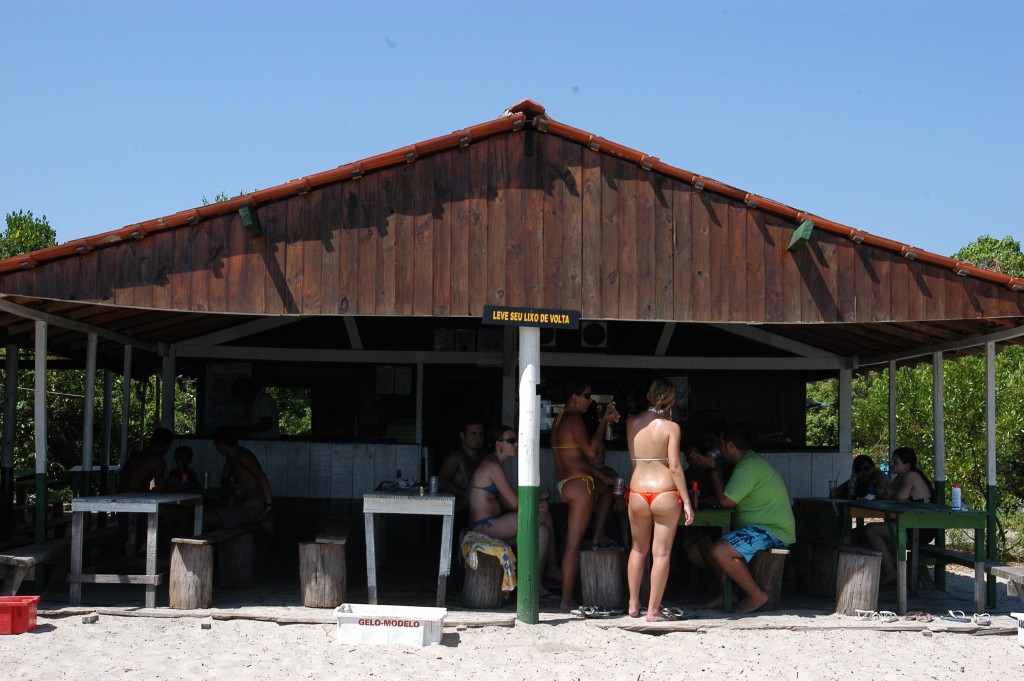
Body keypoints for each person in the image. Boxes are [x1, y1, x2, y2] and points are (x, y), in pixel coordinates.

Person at [690, 422, 796, 614]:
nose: (719, 450)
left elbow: (725, 502)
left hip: (772, 530)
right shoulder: (746, 464)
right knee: (701, 547)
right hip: (758, 528)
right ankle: (728, 593)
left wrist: (713, 469)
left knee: (720, 550)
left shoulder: (747, 467)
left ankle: (757, 595)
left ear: (731, 446)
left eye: (721, 446)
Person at [624, 378, 694, 621]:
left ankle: (633, 605)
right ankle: (653, 611)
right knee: (661, 553)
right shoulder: (671, 428)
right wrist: (686, 500)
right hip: (663, 491)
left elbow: (634, 461)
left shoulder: (632, 422)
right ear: (673, 400)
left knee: (637, 549)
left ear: (648, 395)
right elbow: (674, 467)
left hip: (637, 490)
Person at [466, 425, 561, 599]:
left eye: (516, 440)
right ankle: (550, 571)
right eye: (511, 441)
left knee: (542, 531)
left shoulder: (494, 464)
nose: (516, 444)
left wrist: (538, 500)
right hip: (482, 528)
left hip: (493, 524)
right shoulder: (492, 466)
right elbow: (516, 503)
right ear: (498, 445)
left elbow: (508, 503)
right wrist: (537, 500)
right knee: (544, 514)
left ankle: (536, 583)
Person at [550, 380, 620, 610]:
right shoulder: (574, 420)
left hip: (565, 484)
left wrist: (602, 477)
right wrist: (604, 422)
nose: (590, 401)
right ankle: (566, 599)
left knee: (608, 487)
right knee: (573, 544)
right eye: (587, 396)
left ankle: (599, 534)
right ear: (574, 398)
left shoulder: (558, 421)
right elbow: (590, 450)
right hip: (580, 487)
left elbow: (577, 459)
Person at [864, 446, 935, 585]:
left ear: (906, 465)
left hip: (918, 528)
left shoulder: (911, 475)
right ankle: (903, 569)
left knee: (870, 530)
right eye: (892, 461)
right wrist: (885, 492)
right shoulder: (900, 477)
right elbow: (888, 493)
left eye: (895, 462)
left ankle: (892, 572)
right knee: (864, 538)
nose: (891, 464)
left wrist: (889, 494)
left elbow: (899, 496)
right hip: (907, 525)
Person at [205, 426, 274, 535]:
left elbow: (261, 476)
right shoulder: (230, 458)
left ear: (221, 444)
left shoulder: (244, 456)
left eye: (216, 445)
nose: (217, 448)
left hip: (256, 507)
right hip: (240, 508)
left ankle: (271, 550)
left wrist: (268, 506)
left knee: (267, 525)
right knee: (206, 518)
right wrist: (233, 486)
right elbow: (223, 480)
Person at [436, 417, 486, 511]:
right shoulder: (456, 457)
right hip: (460, 509)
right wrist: (466, 493)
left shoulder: (483, 457)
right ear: (462, 436)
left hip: (478, 509)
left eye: (480, 434)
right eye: (473, 434)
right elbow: (440, 482)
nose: (478, 438)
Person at [117, 427, 174, 493]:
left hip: (121, 495)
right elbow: (160, 487)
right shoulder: (157, 460)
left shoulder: (137, 455)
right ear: (167, 445)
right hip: (134, 497)